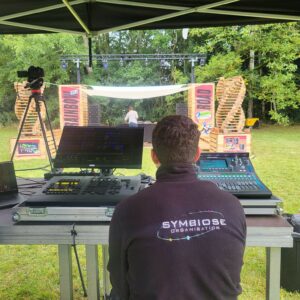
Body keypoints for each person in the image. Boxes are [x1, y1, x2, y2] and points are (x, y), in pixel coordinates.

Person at [108, 115, 246, 300]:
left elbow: (120, 286)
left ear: (154, 156)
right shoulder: (232, 205)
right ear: (197, 154)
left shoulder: (127, 211)